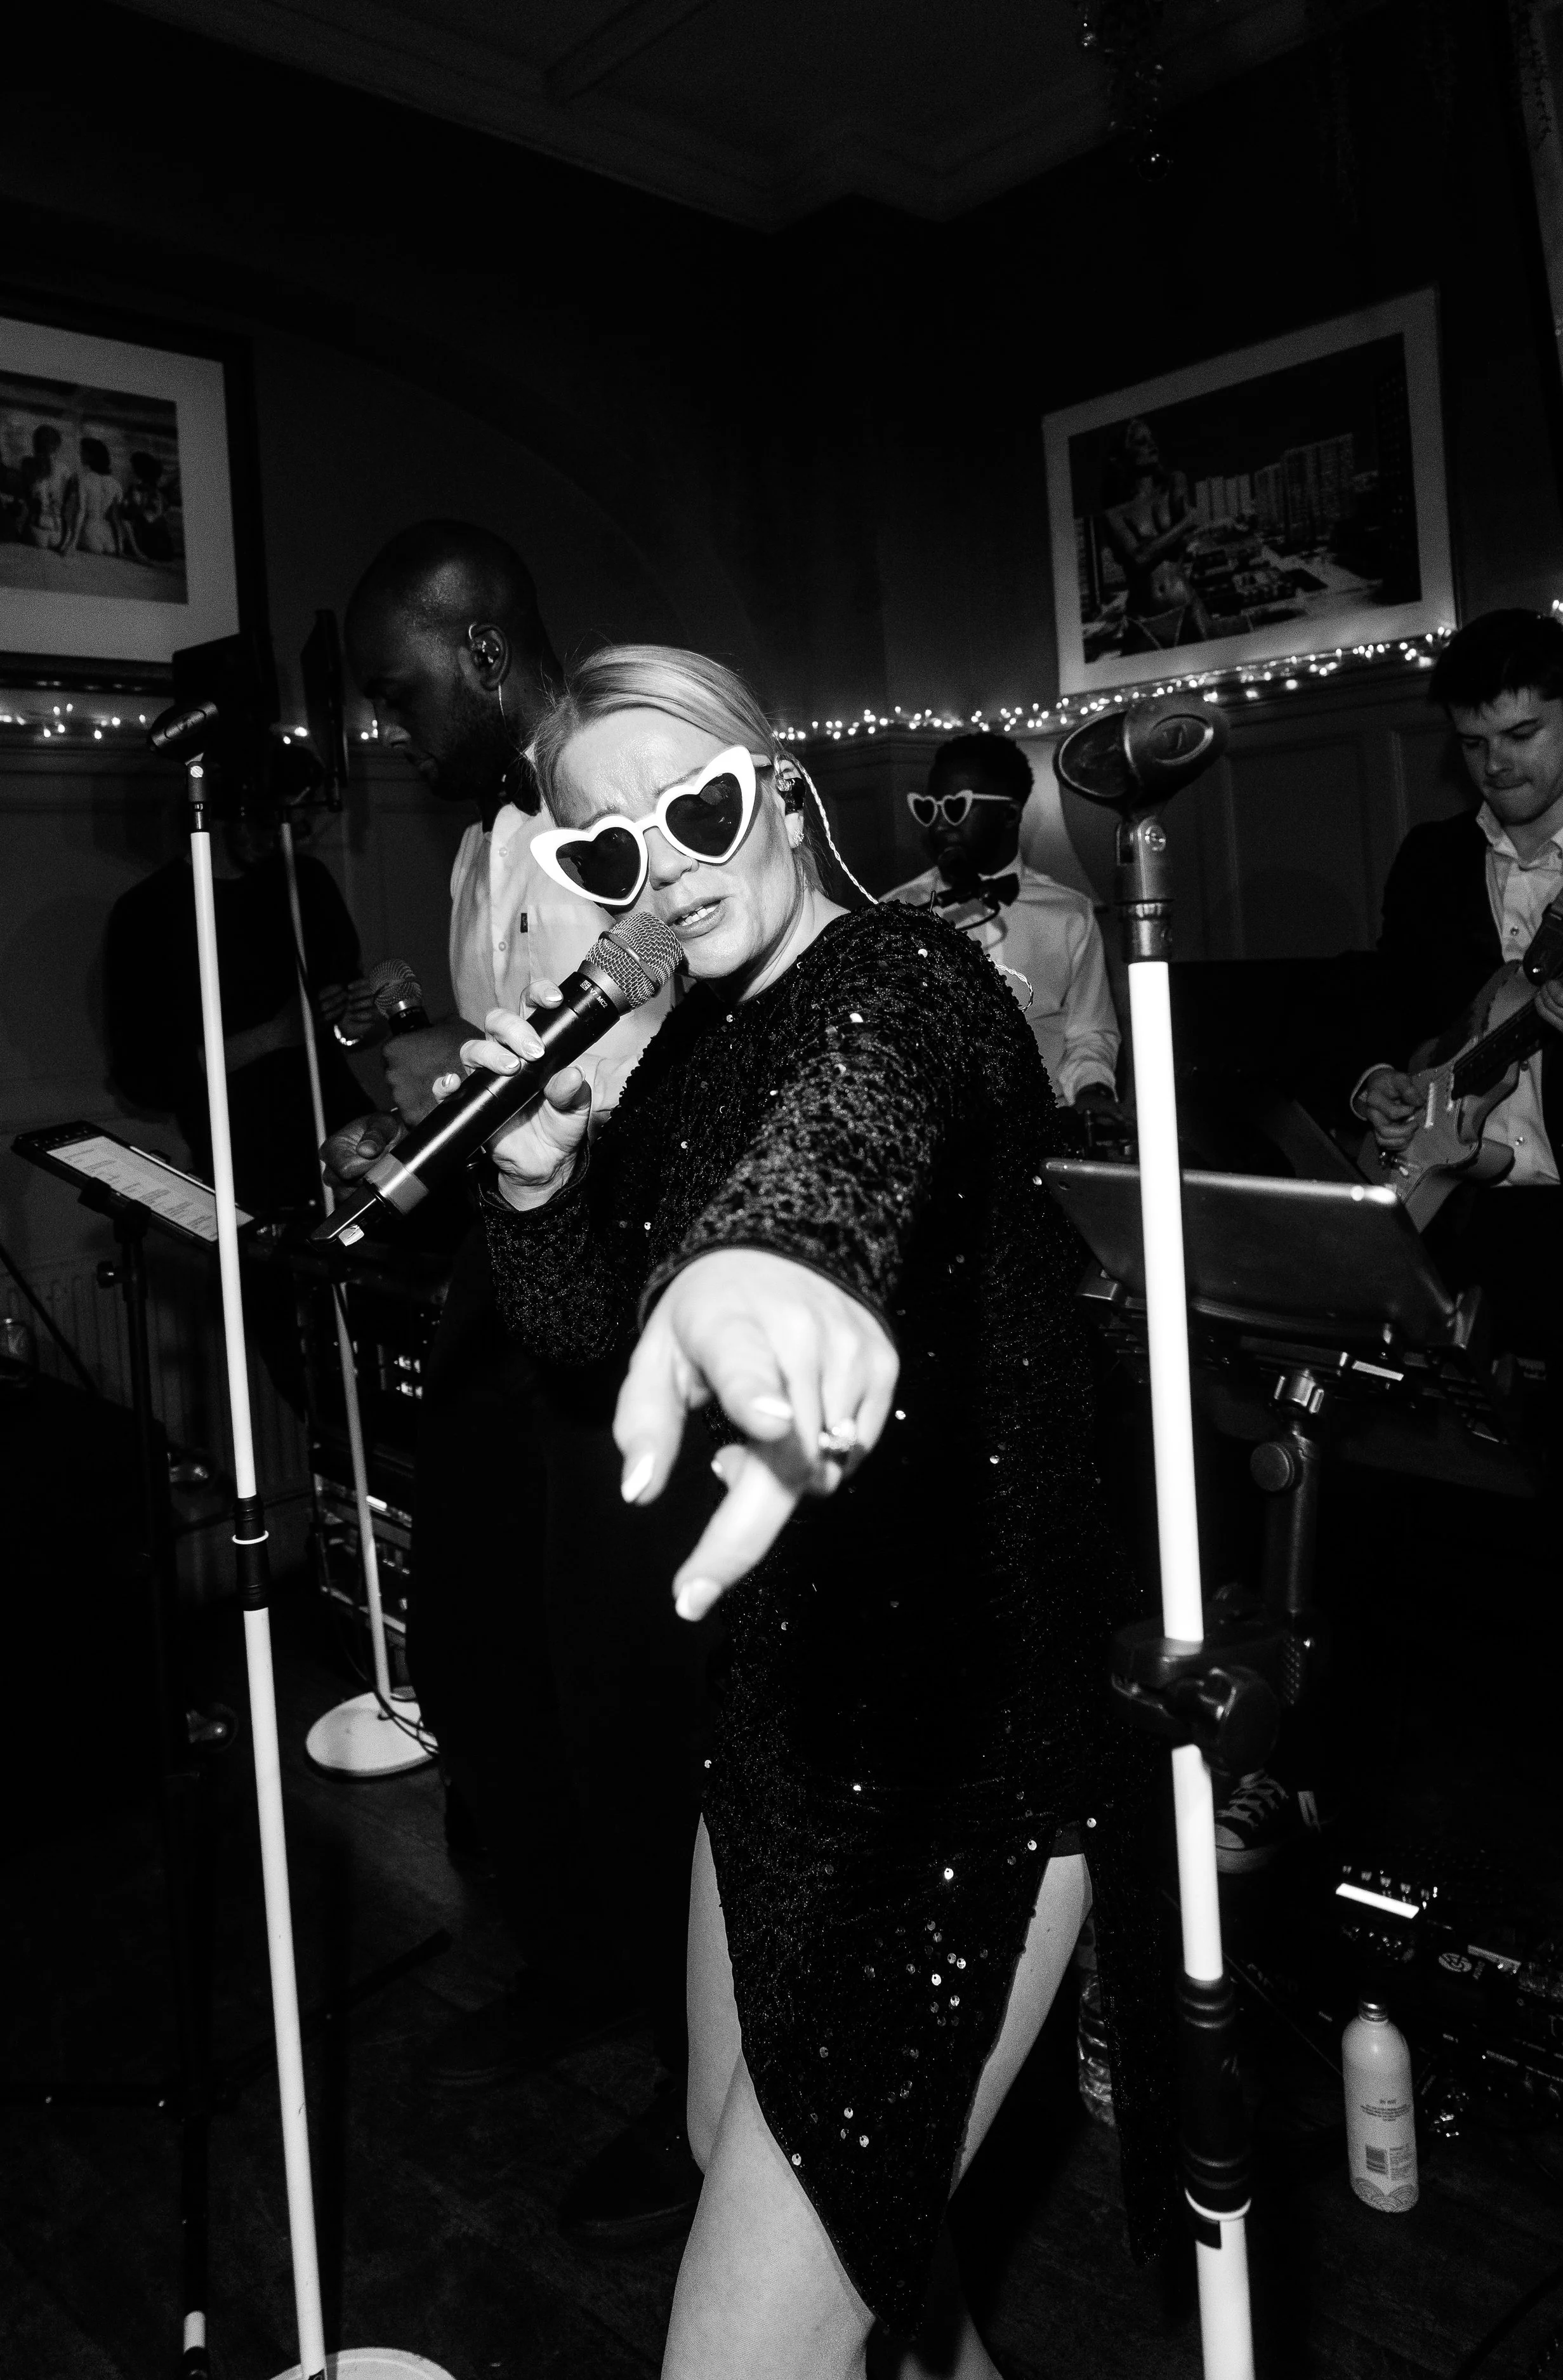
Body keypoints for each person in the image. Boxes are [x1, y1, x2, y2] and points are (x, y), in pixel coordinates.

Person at [463, 644, 1171, 2377]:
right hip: (780, 1724)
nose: (671, 861)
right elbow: (570, 1334)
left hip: (957, 1760)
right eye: (612, 848)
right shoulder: (681, 1044)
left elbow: (857, 1111)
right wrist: (538, 1165)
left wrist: (770, 1250)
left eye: (698, 805)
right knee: (828, 2227)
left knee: (743, 2351)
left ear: (779, 791)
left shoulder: (912, 976)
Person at [323, 522, 708, 2246]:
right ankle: (577, 1960)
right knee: (483, 1639)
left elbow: (689, 1041)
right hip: (514, 1260)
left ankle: (705, 2088)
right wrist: (416, 1117)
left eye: (404, 697)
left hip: (642, 1281)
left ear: (479, 654)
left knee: (636, 1684)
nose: (398, 738)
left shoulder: (630, 796)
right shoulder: (482, 844)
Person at [1350, 607, 1563, 1886]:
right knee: (1450, 1513)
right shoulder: (1432, 856)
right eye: (1473, 745)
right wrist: (1382, 1078)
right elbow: (1395, 1011)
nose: (1498, 767)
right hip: (1469, 1212)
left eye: (1522, 735)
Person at [103, 791, 374, 1408]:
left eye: (296, 823)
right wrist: (278, 1033)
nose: (284, 837)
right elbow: (147, 1077)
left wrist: (355, 1021)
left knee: (387, 1370)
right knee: (310, 1386)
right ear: (214, 809)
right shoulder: (149, 913)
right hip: (253, 1182)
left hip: (353, 1158)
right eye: (261, 819)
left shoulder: (306, 882)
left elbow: (341, 1027)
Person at [888, 731, 1119, 1109]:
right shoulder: (896, 912)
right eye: (930, 809)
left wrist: (1093, 1091)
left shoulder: (1069, 912)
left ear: (1010, 813)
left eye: (957, 807)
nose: (940, 825)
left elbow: (1090, 1033)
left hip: (1044, 1124)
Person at [1100, 417, 1216, 655]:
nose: (1152, 446)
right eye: (1141, 442)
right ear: (1123, 456)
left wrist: (1154, 544)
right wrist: (1184, 523)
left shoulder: (1175, 483)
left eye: (1152, 440)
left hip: (1185, 606)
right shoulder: (1113, 514)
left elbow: (1183, 542)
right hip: (1143, 618)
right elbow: (1138, 559)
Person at [60, 435, 123, 557]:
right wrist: (120, 546)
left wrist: (73, 543)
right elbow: (115, 518)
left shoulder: (82, 478)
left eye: (83, 452)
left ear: (91, 456)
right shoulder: (116, 484)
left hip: (90, 532)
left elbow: (81, 511)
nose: (80, 454)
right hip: (108, 536)